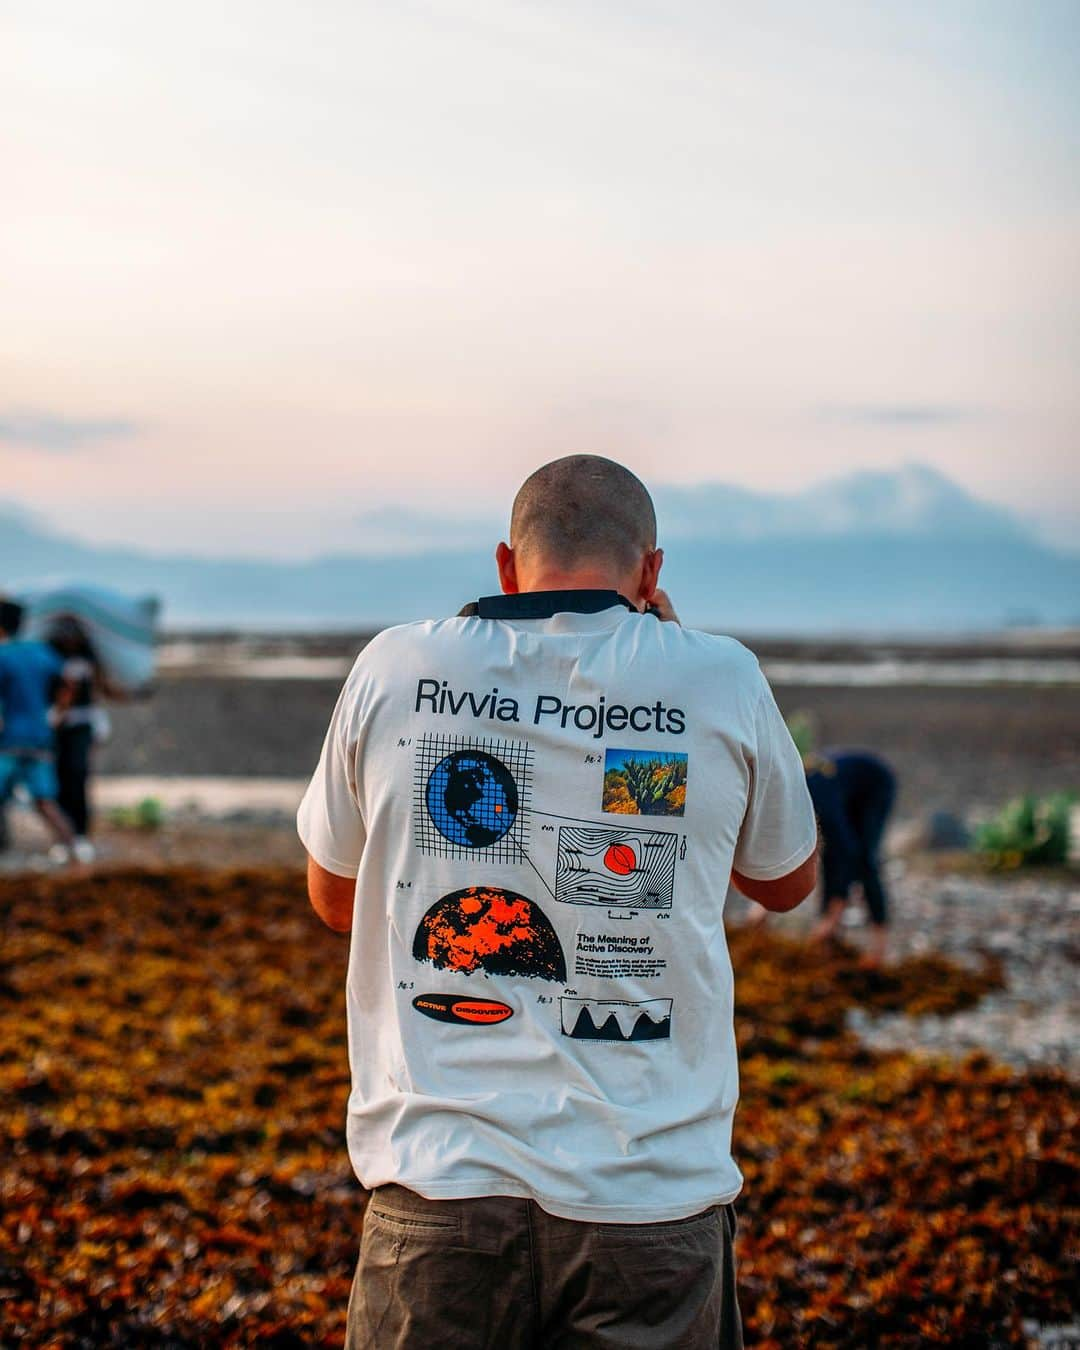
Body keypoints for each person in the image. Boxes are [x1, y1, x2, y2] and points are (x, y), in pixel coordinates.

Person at [297, 455, 818, 1350]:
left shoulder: (395, 666)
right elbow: (786, 881)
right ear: (651, 573)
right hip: (649, 1197)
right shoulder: (718, 677)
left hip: (438, 1188)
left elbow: (335, 901)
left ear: (506, 565)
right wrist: (673, 661)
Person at [0, 599, 77, 858]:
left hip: (10, 740)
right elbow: (68, 681)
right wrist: (58, 713)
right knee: (45, 801)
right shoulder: (42, 652)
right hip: (40, 737)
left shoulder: (4, 654)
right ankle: (74, 850)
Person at [805, 749, 897, 968]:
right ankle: (830, 936)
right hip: (846, 787)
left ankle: (879, 945)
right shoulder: (801, 797)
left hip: (876, 784)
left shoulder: (819, 798)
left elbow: (848, 850)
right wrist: (762, 906)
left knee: (866, 858)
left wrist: (835, 910)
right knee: (830, 854)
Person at [45, 616, 105, 862]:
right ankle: (66, 838)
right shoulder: (52, 661)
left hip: (80, 725)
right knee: (61, 779)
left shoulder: (87, 662)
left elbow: (101, 687)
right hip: (59, 725)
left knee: (77, 776)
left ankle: (79, 836)